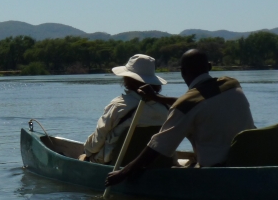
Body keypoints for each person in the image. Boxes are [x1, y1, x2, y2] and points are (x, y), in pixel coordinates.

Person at [106, 49, 255, 187]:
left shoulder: (187, 105)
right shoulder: (232, 83)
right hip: (246, 158)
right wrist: (158, 99)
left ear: (182, 71)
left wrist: (124, 172)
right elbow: (198, 102)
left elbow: (159, 146)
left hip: (216, 168)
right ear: (209, 67)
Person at [81, 54, 170, 164]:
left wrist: (86, 152)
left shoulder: (118, 106)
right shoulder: (167, 107)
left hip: (119, 164)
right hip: (159, 163)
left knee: (84, 156)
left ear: (127, 79)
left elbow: (96, 143)